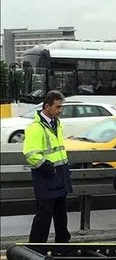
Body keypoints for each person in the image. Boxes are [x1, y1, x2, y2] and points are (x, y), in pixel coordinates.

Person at [23, 90, 72, 243]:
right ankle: (36, 247)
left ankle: (62, 246)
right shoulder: (35, 128)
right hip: (46, 179)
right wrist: (47, 166)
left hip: (59, 177)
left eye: (60, 107)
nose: (60, 110)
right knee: (44, 216)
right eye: (57, 107)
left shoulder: (56, 124)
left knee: (60, 216)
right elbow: (30, 154)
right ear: (47, 106)